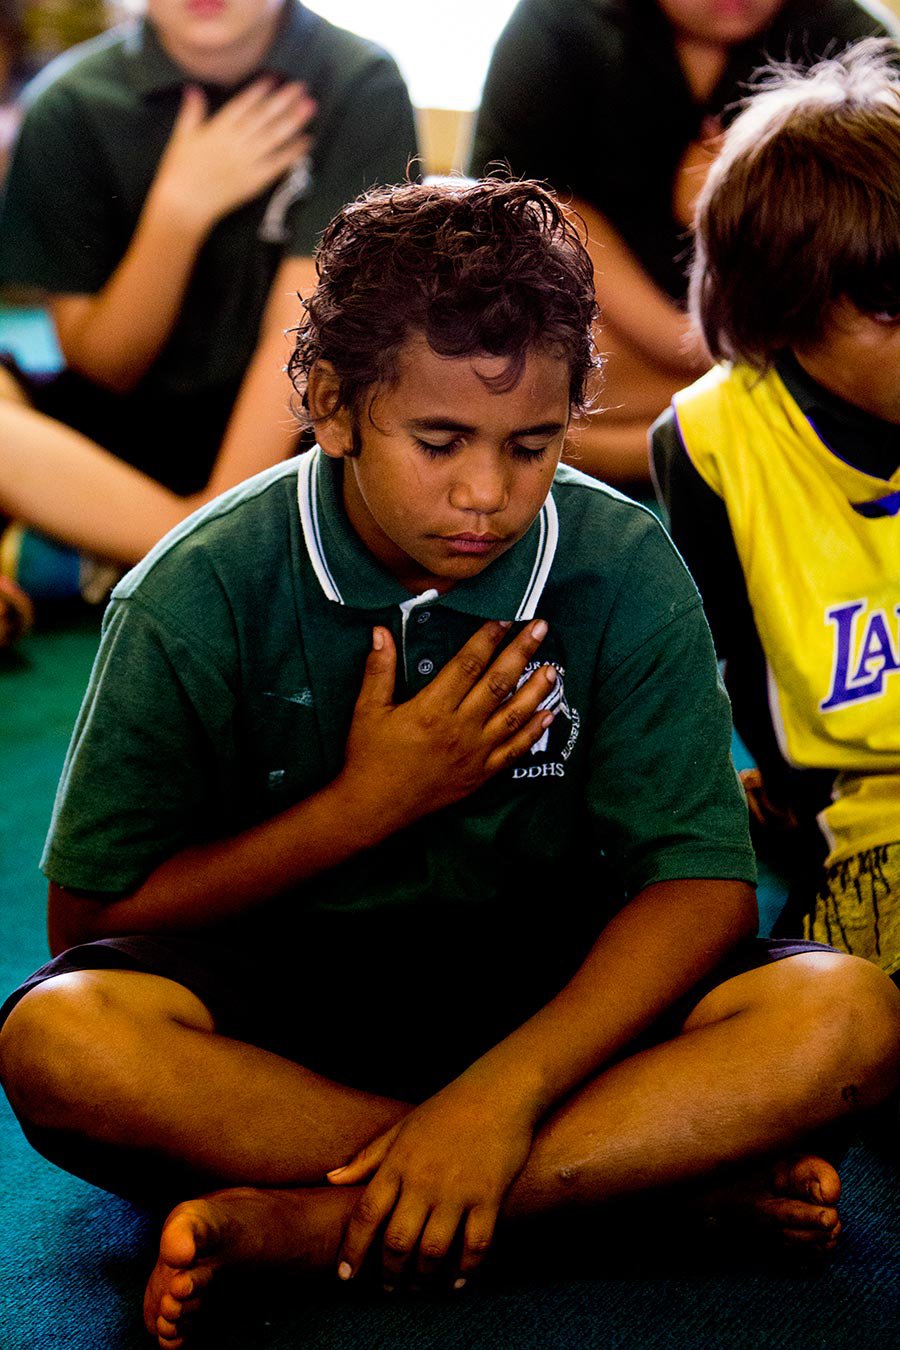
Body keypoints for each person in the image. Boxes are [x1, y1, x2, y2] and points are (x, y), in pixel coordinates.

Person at [1, 179, 898, 1350]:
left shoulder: (623, 563)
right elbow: (89, 921)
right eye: (439, 442)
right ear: (332, 408)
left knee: (846, 1017)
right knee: (60, 1044)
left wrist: (498, 1097)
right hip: (288, 1021)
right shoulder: (197, 586)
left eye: (532, 446)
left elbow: (703, 893)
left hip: (557, 1012)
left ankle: (324, 1224)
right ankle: (637, 1191)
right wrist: (363, 807)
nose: (487, 494)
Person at [0, 0, 416, 635]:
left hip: (296, 436)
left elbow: (309, 327)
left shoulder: (360, 82)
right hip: (120, 443)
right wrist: (179, 211)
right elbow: (106, 367)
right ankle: (198, 555)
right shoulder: (70, 103)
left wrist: (222, 512)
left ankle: (119, 550)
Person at [652, 40, 900, 980]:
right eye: (890, 310)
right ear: (788, 301)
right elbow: (717, 665)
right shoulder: (710, 441)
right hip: (865, 837)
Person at [470, 0, 898, 485]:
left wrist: (735, 207)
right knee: (506, 357)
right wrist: (688, 343)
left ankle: (568, 444)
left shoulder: (854, 37)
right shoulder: (556, 22)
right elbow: (517, 208)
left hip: (767, 334)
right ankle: (719, 439)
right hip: (622, 329)